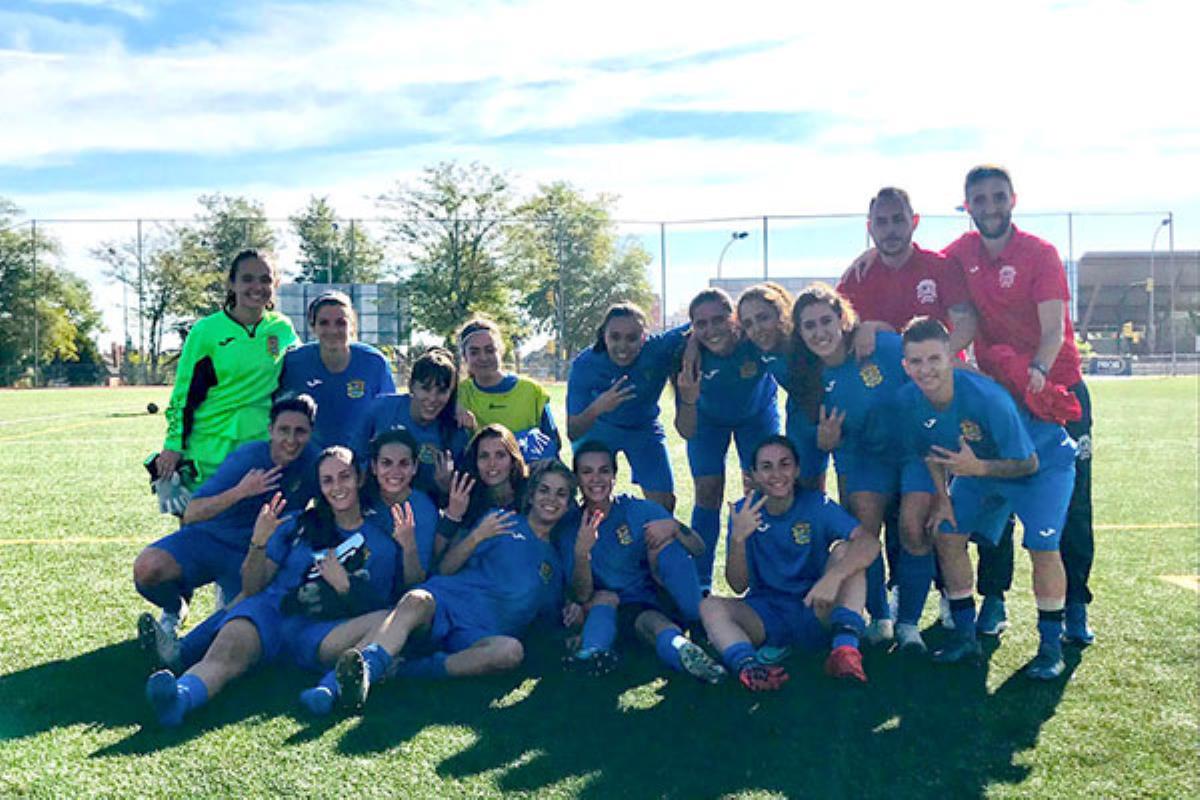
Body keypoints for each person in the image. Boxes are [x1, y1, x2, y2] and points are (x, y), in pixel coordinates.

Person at [144, 446, 420, 726]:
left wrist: (345, 586)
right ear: (320, 486)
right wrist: (258, 543)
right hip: (270, 615)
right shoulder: (297, 523)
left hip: (322, 631)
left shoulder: (381, 542)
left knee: (386, 620)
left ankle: (330, 689)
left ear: (359, 479)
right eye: (327, 480)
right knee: (225, 655)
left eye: (344, 476)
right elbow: (253, 587)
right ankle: (179, 698)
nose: (338, 487)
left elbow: (376, 606)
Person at [943, 165, 1095, 645]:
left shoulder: (1039, 253)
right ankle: (994, 597)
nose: (989, 207)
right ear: (967, 205)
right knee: (994, 496)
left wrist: (1040, 373)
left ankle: (1074, 607)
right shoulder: (959, 254)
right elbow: (918, 266)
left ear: (1013, 199)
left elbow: (1053, 329)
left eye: (997, 197)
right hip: (999, 395)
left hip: (1058, 391)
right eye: (979, 199)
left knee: (1068, 504)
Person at [898, 317, 1076, 679]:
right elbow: (930, 451)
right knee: (946, 534)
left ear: (951, 357)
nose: (925, 369)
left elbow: (1028, 462)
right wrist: (943, 497)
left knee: (1042, 546)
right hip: (978, 466)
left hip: (1041, 465)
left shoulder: (986, 397)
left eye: (934, 359)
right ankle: (965, 636)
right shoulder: (909, 399)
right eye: (916, 361)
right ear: (905, 365)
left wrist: (977, 469)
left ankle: (1050, 647)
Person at [324, 459, 574, 711]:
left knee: (510, 652)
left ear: (568, 504)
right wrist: (477, 537)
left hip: (479, 635)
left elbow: (549, 620)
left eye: (561, 494)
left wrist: (573, 618)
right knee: (417, 599)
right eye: (544, 490)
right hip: (447, 603)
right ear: (531, 495)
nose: (551, 499)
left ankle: (403, 670)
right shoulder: (502, 522)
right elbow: (445, 568)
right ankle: (338, 684)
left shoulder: (555, 564)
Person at [789, 283, 928, 649]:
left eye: (826, 321)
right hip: (863, 457)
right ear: (800, 334)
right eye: (809, 326)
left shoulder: (878, 347)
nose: (820, 332)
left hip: (915, 451)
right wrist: (825, 442)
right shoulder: (808, 380)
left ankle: (909, 624)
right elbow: (812, 443)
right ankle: (880, 616)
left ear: (843, 318)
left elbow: (931, 365)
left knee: (914, 528)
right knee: (863, 529)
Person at [134, 394, 319, 647]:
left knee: (243, 611)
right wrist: (241, 491)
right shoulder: (247, 459)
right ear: (270, 430)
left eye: (300, 432)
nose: (291, 440)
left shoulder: (313, 462)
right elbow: (191, 513)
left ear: (311, 433)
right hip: (211, 539)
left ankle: (181, 649)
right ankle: (174, 607)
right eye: (283, 430)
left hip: (255, 554)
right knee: (147, 568)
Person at [699, 436, 878, 690]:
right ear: (753, 475)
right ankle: (750, 669)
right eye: (766, 466)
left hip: (816, 607)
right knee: (709, 606)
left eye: (784, 464)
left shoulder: (817, 504)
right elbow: (738, 585)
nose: (776, 474)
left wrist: (832, 579)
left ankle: (844, 652)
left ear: (797, 470)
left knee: (848, 552)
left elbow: (870, 543)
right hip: (766, 615)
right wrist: (738, 538)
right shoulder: (744, 511)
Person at [560, 441, 724, 683]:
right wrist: (582, 552)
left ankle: (698, 625)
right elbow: (581, 594)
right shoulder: (570, 527)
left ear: (615, 475)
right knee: (639, 617)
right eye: (587, 472)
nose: (596, 479)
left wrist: (675, 527)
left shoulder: (637, 509)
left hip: (651, 597)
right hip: (608, 609)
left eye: (604, 471)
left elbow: (698, 548)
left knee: (668, 549)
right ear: (576, 479)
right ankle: (595, 654)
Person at [156, 249, 298, 489]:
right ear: (231, 284)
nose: (257, 286)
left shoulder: (282, 328)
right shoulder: (206, 331)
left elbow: (302, 369)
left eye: (265, 279)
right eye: (247, 279)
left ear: (275, 284)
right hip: (210, 447)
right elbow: (184, 394)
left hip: (261, 445)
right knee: (202, 520)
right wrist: (173, 445)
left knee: (254, 521)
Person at [674, 288, 781, 591]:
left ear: (734, 318)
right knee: (707, 492)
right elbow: (685, 428)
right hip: (708, 421)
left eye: (719, 319)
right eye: (701, 324)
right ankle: (701, 583)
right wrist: (692, 347)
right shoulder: (685, 353)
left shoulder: (754, 338)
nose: (711, 330)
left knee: (764, 490)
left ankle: (765, 579)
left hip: (756, 416)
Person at [567, 303, 689, 511]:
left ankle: (653, 540)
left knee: (663, 505)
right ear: (603, 336)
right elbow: (573, 431)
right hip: (599, 429)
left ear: (644, 337)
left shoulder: (657, 348)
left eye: (632, 338)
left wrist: (693, 351)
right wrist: (598, 407)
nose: (623, 346)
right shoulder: (586, 364)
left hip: (643, 428)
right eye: (615, 337)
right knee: (593, 499)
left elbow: (697, 326)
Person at [837, 187, 977, 358]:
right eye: (881, 222)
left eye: (898, 220)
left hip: (937, 376)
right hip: (880, 377)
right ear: (869, 227)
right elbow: (835, 330)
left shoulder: (941, 266)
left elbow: (965, 323)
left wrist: (934, 358)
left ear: (915, 221)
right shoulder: (856, 277)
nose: (890, 230)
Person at [349, 347, 470, 502]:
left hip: (425, 510)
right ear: (411, 385)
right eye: (425, 388)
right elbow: (354, 456)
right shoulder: (381, 408)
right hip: (376, 503)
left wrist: (446, 487)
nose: (432, 398)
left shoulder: (454, 430)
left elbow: (460, 496)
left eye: (441, 391)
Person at [278, 291, 395, 449]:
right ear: (313, 327)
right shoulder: (294, 363)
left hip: (358, 463)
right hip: (308, 460)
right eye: (324, 323)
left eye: (341, 323)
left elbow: (388, 418)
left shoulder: (374, 363)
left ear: (353, 326)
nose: (333, 331)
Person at [456, 317, 561, 463]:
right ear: (464, 357)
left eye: (490, 350)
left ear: (501, 351)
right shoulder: (458, 394)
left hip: (528, 479)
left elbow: (554, 444)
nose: (483, 357)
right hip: (484, 481)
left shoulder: (532, 391)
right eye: (474, 352)